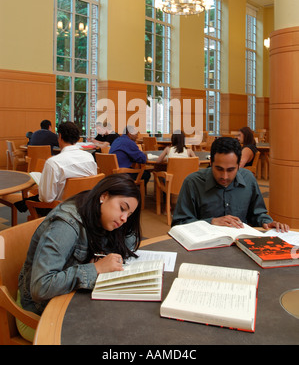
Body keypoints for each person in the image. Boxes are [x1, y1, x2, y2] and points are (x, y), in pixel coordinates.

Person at [17, 173, 142, 342]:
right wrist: (95, 268)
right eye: (122, 208)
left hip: (71, 300)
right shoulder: (66, 225)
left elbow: (130, 238)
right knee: (110, 335)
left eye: (129, 214)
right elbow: (41, 287)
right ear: (103, 196)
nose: (124, 218)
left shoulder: (99, 213)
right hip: (39, 313)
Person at [171, 137, 289, 232]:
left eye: (231, 170)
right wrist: (210, 222)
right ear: (211, 162)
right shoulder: (193, 183)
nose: (224, 176)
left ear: (239, 165)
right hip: (203, 248)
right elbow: (179, 224)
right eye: (219, 169)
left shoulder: (248, 179)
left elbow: (257, 213)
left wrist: (267, 221)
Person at [15, 121, 97, 212]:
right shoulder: (89, 158)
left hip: (58, 211)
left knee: (26, 201)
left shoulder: (53, 163)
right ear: (77, 138)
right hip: (83, 207)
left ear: (60, 136)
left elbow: (46, 199)